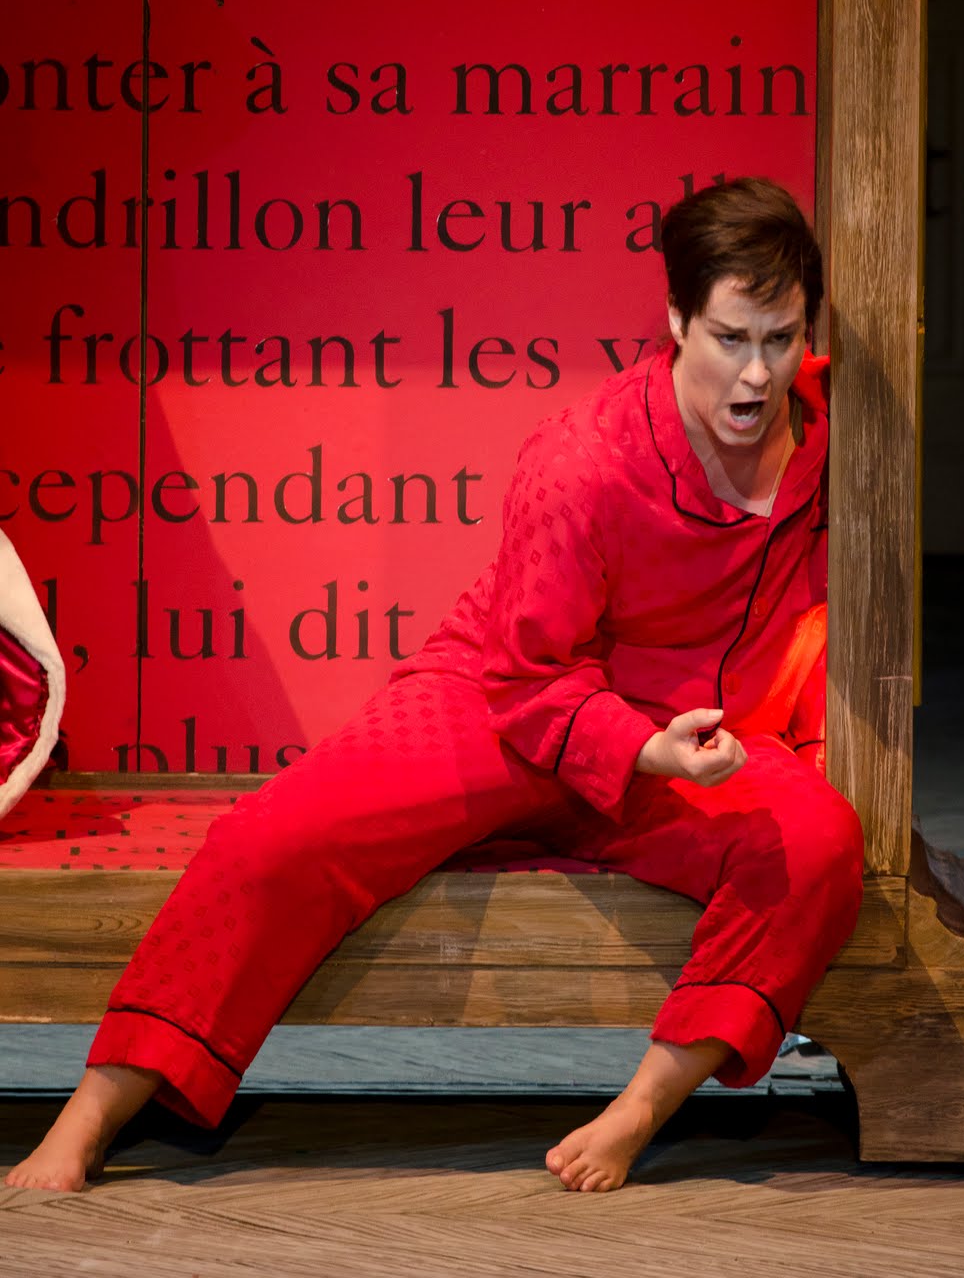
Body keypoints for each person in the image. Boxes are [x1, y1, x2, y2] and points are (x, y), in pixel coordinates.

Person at [7, 176, 863, 1195]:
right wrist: (638, 744)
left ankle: (639, 1109)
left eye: (778, 339)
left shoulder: (828, 435)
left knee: (818, 842)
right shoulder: (582, 460)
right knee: (273, 838)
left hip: (691, 740)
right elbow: (527, 670)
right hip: (508, 699)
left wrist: (715, 749)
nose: (756, 373)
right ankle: (89, 1116)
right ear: (676, 319)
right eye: (730, 338)